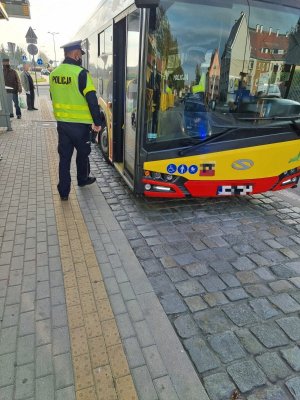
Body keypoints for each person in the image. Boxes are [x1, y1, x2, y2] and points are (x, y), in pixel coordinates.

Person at [49, 40, 102, 201]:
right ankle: (82, 179)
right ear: (76, 54)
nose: (80, 57)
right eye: (80, 54)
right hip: (80, 126)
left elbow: (52, 96)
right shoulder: (81, 73)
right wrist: (98, 122)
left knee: (64, 158)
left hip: (62, 124)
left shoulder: (54, 74)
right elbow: (92, 100)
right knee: (83, 153)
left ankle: (64, 192)